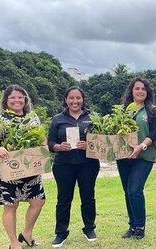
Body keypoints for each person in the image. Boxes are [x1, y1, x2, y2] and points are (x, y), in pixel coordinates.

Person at [0, 85, 45, 249]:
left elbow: (41, 139)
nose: (17, 100)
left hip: (30, 168)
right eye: (13, 98)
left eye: (20, 97)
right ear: (6, 100)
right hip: (8, 168)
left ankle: (27, 233)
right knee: (11, 205)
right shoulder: (0, 118)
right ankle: (14, 243)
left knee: (38, 201)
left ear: (25, 99)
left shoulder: (33, 117)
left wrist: (43, 148)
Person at [48, 86, 100, 247]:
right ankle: (61, 232)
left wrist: (89, 145)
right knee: (63, 199)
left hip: (88, 164)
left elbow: (103, 142)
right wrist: (58, 147)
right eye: (71, 98)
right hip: (63, 165)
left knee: (88, 198)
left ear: (83, 99)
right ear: (66, 100)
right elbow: (50, 143)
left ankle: (89, 228)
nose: (75, 101)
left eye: (78, 98)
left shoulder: (93, 118)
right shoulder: (57, 119)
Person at [118, 77, 156, 240]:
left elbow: (155, 132)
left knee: (135, 190)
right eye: (137, 88)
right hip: (124, 157)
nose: (140, 91)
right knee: (127, 191)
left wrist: (140, 147)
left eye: (143, 89)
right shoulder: (123, 110)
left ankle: (140, 225)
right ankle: (132, 225)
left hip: (144, 156)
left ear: (147, 92)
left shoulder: (153, 110)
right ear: (132, 91)